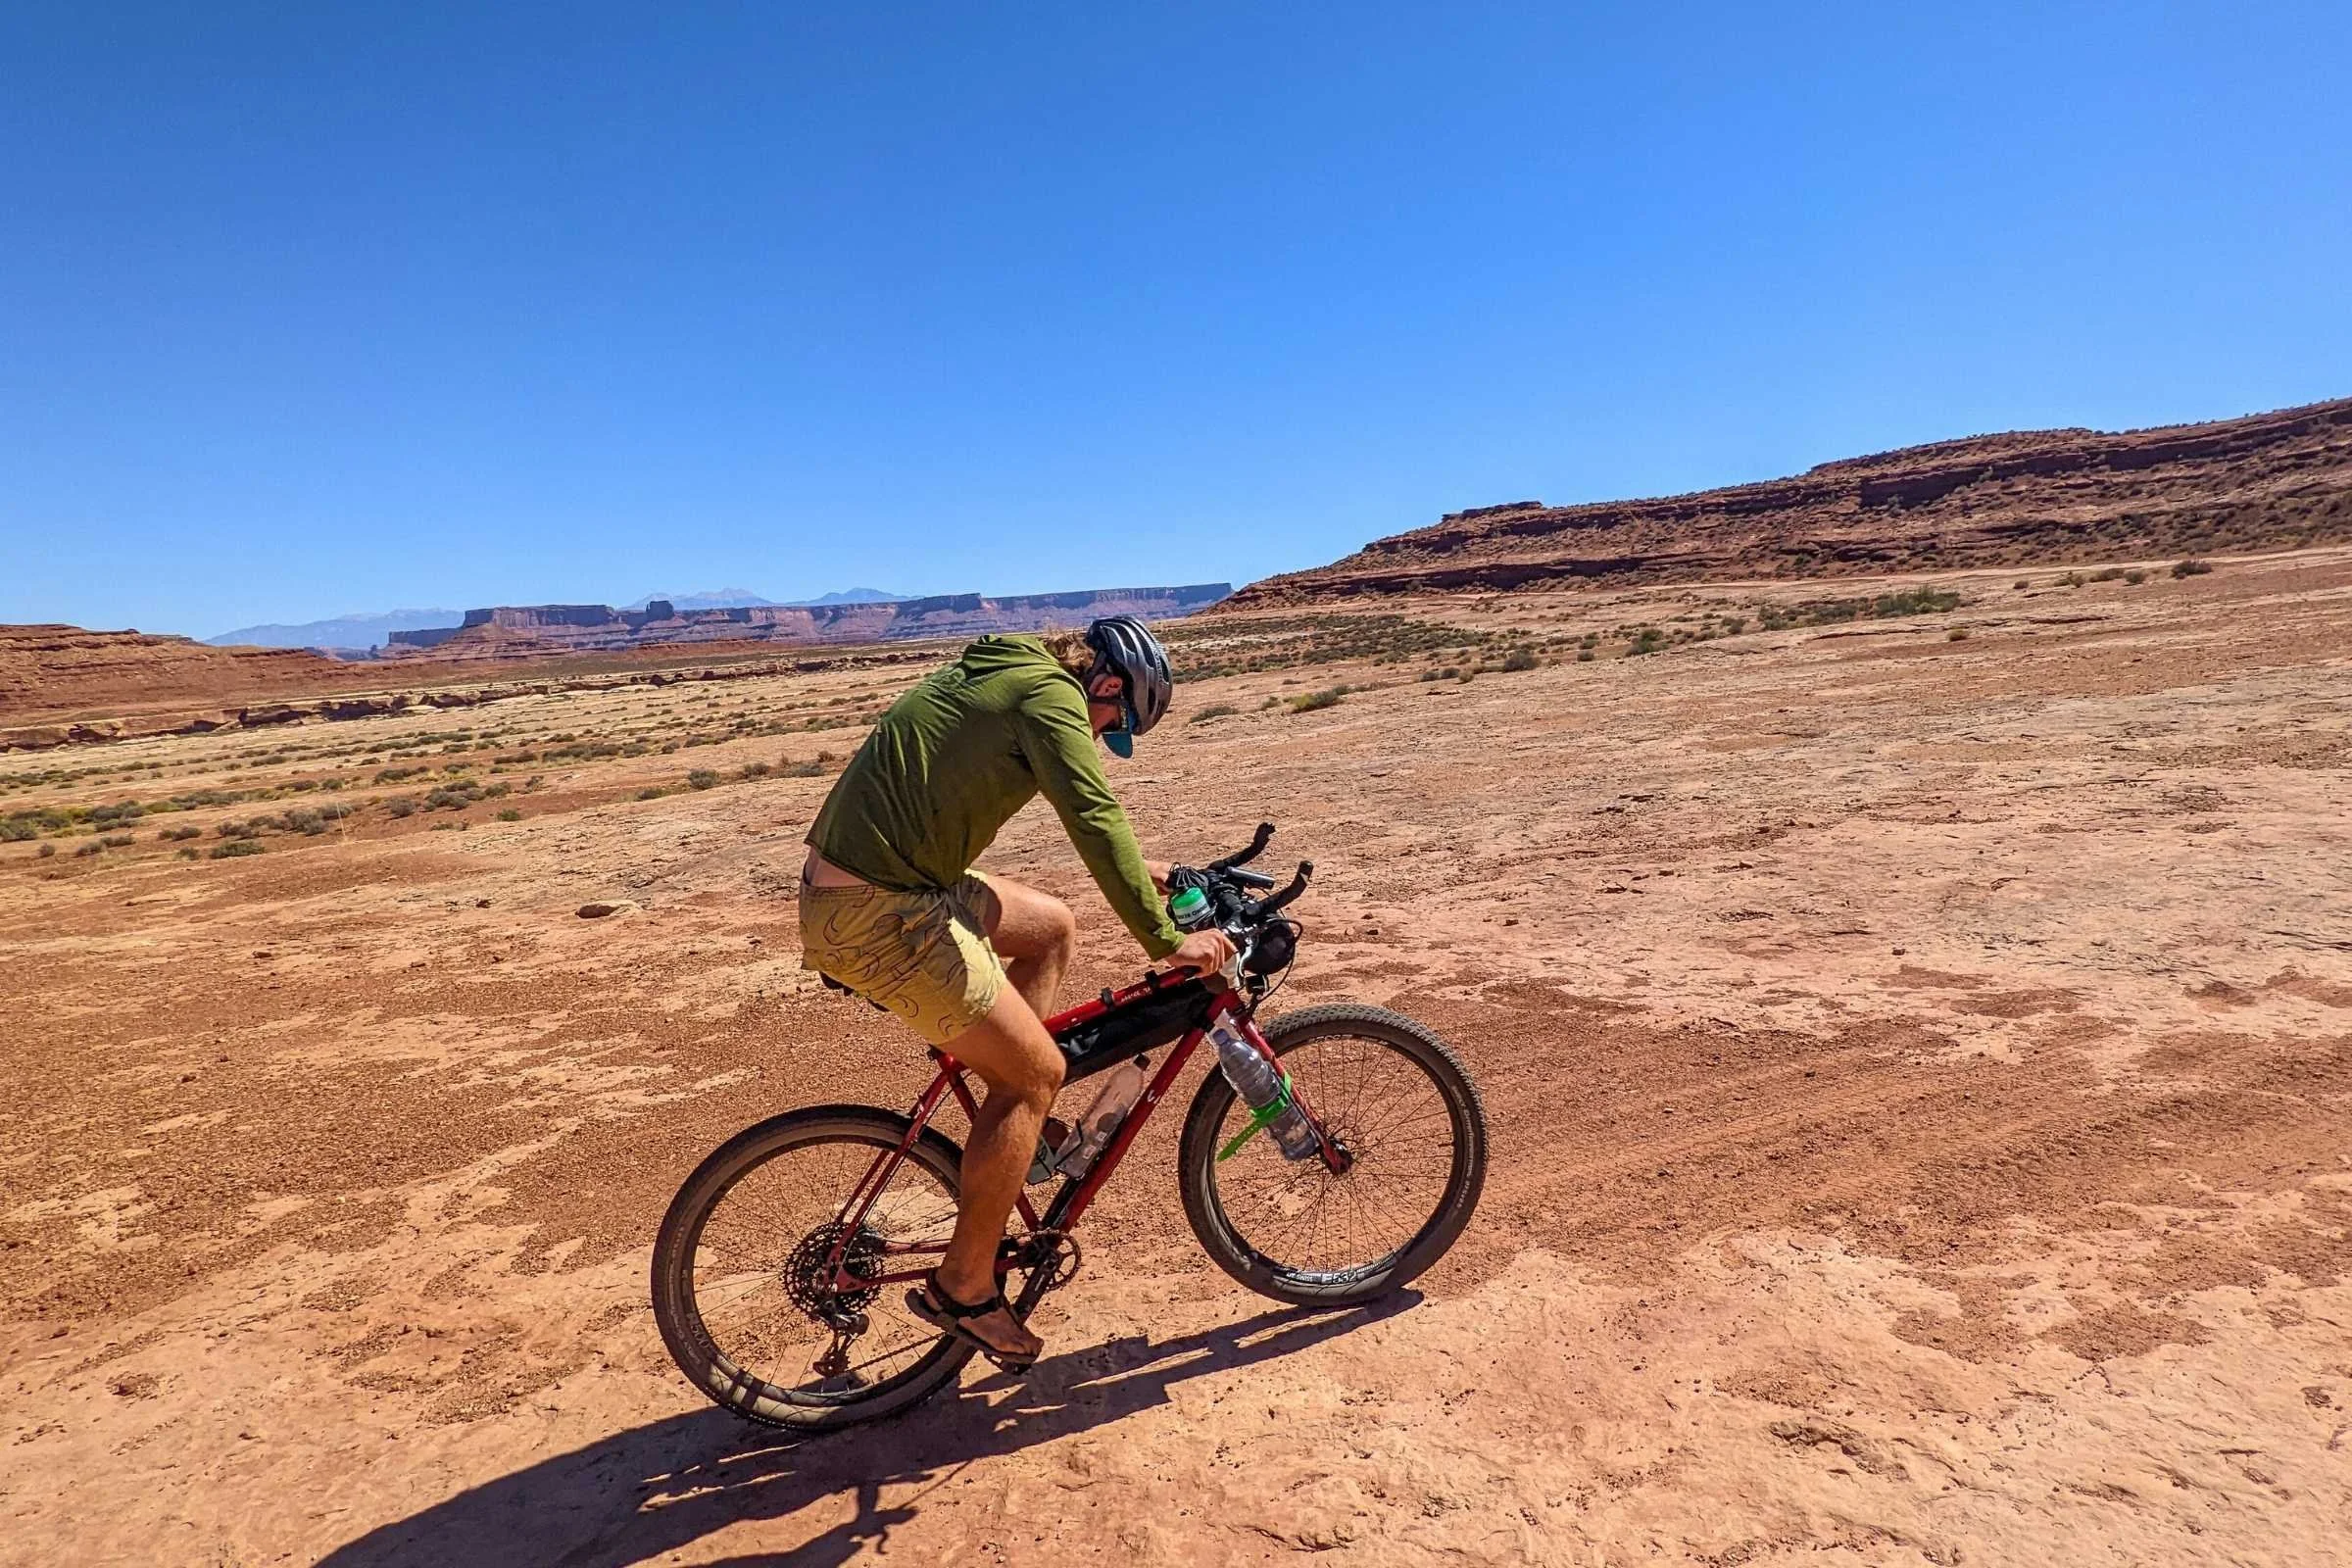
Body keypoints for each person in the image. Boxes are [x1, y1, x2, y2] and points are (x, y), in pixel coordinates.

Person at [799, 614, 1235, 1370]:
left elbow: (1089, 811)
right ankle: (962, 1288)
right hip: (878, 912)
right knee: (1036, 1073)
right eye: (1115, 720)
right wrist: (1167, 940)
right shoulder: (1051, 698)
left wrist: (1148, 874)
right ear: (1104, 682)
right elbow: (1092, 813)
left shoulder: (1013, 675)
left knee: (1051, 928)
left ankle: (1012, 1133)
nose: (1103, 734)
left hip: (886, 884)